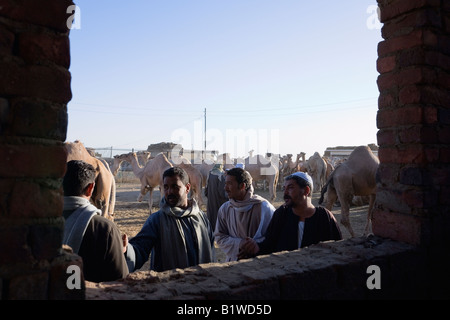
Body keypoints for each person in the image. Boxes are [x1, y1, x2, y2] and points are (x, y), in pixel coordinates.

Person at [124, 166, 215, 272]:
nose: (169, 192)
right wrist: (126, 250)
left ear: (187, 188)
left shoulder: (201, 217)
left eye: (175, 187)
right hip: (170, 285)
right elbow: (140, 249)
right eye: (166, 187)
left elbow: (211, 251)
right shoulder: (157, 220)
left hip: (201, 283)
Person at [238, 172, 342, 259]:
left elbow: (337, 249)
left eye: (290, 188)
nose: (285, 193)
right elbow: (269, 245)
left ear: (306, 190)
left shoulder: (324, 217)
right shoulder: (281, 214)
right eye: (284, 188)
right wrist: (255, 247)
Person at [62, 160, 129, 283]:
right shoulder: (105, 228)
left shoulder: (39, 223)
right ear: (91, 188)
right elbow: (120, 281)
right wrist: (119, 251)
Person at [214, 167, 275, 262]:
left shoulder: (264, 207)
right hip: (233, 261)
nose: (225, 188)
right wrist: (239, 244)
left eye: (229, 184)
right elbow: (219, 236)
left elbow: (274, 236)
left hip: (259, 263)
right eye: (225, 184)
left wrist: (255, 245)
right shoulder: (225, 209)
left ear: (242, 186)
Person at [204, 163, 228, 230]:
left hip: (211, 198)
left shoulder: (210, 173)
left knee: (211, 213)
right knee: (217, 214)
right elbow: (221, 191)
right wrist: (226, 197)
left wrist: (207, 195)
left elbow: (206, 187)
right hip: (218, 199)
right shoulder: (220, 175)